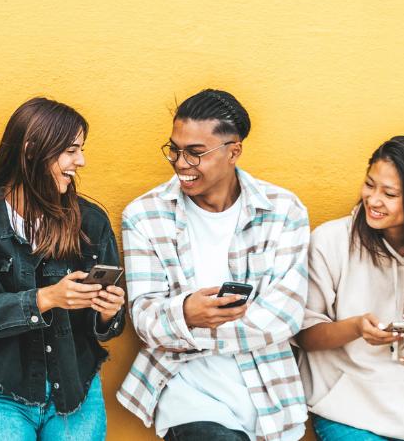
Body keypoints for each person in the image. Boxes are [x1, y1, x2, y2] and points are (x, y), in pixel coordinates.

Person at [117, 88, 309, 441]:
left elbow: (284, 317)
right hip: (188, 398)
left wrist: (183, 321)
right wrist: (185, 313)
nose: (180, 163)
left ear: (233, 151)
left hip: (271, 398)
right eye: (174, 149)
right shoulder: (144, 216)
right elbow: (145, 319)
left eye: (195, 153)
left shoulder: (284, 211)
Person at [0, 97, 126, 441]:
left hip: (76, 392)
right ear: (31, 151)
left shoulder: (91, 221)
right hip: (2, 392)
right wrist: (46, 298)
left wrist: (108, 313)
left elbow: (109, 327)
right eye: (71, 151)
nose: (81, 161)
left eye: (81, 150)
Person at [296, 136, 404, 441]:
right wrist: (355, 328)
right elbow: (304, 335)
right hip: (344, 403)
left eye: (389, 193)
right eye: (369, 185)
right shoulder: (331, 241)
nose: (373, 200)